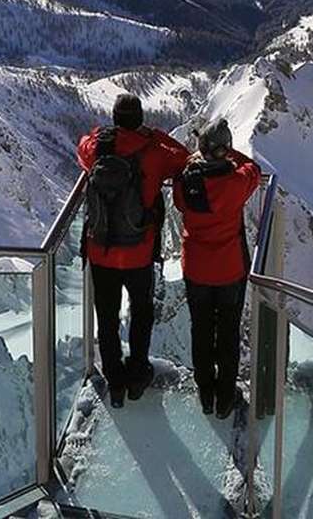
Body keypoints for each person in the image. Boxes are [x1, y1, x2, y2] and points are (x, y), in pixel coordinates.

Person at [77, 92, 190, 408]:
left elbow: (82, 145)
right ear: (140, 120)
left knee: (107, 318)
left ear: (114, 119)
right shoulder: (153, 152)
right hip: (139, 252)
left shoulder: (97, 149)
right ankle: (138, 375)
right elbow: (183, 157)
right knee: (141, 314)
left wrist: (104, 134)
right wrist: (152, 134)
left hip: (101, 251)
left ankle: (115, 382)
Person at [173, 118, 261, 419]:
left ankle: (205, 393)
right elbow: (253, 169)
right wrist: (229, 154)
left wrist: (202, 157)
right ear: (225, 150)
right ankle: (225, 398)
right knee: (227, 334)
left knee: (201, 330)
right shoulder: (237, 183)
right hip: (229, 271)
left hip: (196, 269)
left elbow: (179, 202)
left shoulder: (186, 181)